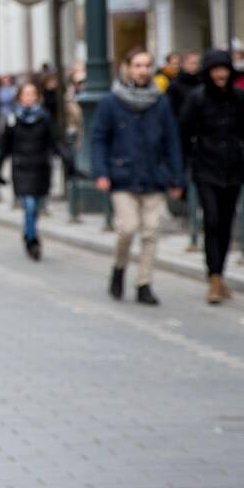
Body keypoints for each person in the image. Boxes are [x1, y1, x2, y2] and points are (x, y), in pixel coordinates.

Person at [90, 49, 184, 305]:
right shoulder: (112, 101)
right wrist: (101, 172)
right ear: (127, 68)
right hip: (122, 176)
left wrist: (177, 177)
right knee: (127, 228)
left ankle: (144, 283)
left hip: (154, 176)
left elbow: (171, 141)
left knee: (151, 232)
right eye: (138, 65)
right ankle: (119, 268)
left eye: (147, 65)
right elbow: (98, 139)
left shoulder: (160, 102)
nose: (143, 70)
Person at [180, 50, 244, 305]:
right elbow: (183, 135)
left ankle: (220, 273)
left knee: (227, 223)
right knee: (213, 221)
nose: (220, 74)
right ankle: (213, 277)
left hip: (233, 168)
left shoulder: (239, 97)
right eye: (216, 69)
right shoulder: (197, 99)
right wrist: (182, 173)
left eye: (224, 69)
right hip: (206, 168)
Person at [0, 82, 75, 260]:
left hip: (41, 168)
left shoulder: (44, 118)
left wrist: (66, 159)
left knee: (37, 206)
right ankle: (32, 240)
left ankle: (29, 231)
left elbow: (54, 142)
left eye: (32, 94)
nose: (29, 98)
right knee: (29, 205)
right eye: (26, 94)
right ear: (20, 97)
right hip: (21, 167)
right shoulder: (12, 119)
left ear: (37, 97)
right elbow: (4, 148)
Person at [166, 50, 202, 120]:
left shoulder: (202, 83)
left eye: (197, 63)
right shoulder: (174, 85)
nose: (195, 66)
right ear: (183, 64)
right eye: (192, 63)